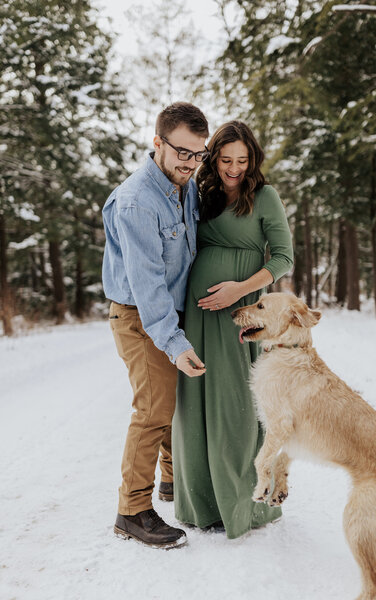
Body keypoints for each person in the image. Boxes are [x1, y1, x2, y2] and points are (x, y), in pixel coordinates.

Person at [172, 120, 294, 539]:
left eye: (242, 160)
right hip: (197, 310)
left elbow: (283, 259)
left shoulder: (265, 197)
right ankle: (200, 502)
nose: (234, 168)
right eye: (226, 160)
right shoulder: (199, 194)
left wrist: (240, 292)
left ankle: (243, 502)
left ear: (252, 160)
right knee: (194, 401)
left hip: (237, 312)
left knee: (234, 405)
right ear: (213, 158)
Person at [102, 102, 209, 549]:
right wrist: (173, 340)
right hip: (139, 316)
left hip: (170, 309)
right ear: (158, 143)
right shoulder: (135, 203)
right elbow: (147, 287)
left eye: (198, 154)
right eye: (182, 152)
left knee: (173, 401)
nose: (190, 163)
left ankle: (171, 482)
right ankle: (132, 510)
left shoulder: (185, 186)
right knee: (152, 410)